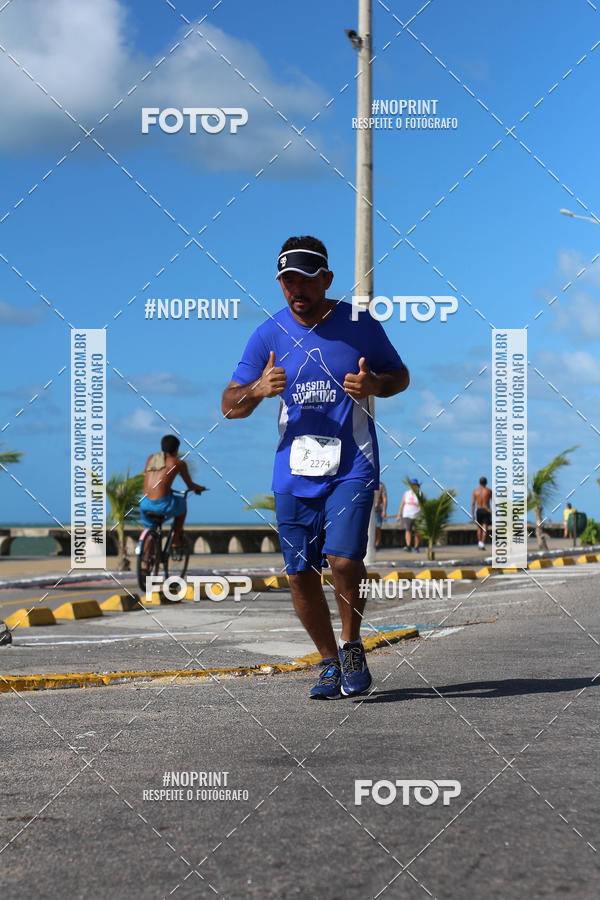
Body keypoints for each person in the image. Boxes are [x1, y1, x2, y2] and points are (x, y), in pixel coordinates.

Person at [221, 235, 409, 699]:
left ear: (326, 279)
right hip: (294, 472)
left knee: (345, 559)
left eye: (305, 281)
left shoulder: (360, 324)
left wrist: (374, 384)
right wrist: (257, 390)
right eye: (287, 281)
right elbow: (228, 404)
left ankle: (350, 645)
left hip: (353, 464)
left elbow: (400, 376)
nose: (296, 291)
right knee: (299, 571)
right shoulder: (268, 333)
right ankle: (328, 662)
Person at [140, 435, 206, 549]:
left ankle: (145, 562)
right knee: (182, 508)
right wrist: (199, 488)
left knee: (150, 529)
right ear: (176, 449)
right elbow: (190, 485)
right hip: (162, 504)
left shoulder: (151, 458)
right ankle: (175, 540)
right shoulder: (177, 463)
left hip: (144, 503)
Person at [396, 480, 421, 552]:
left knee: (417, 531)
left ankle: (416, 547)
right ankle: (408, 546)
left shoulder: (420, 494)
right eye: (413, 485)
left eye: (415, 485)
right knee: (408, 530)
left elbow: (422, 505)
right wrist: (399, 515)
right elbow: (402, 504)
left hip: (417, 515)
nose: (414, 486)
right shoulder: (406, 493)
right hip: (407, 514)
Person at [471, 476, 493, 549]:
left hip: (479, 510)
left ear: (479, 482)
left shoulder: (475, 491)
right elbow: (493, 502)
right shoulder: (489, 491)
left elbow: (473, 504)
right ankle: (482, 543)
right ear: (486, 482)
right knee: (485, 528)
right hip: (486, 510)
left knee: (479, 528)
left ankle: (479, 542)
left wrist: (472, 515)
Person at [373, 481, 387, 549]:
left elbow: (384, 498)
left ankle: (377, 544)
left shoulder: (381, 485)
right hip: (368, 510)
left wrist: (384, 510)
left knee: (378, 527)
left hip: (378, 509)